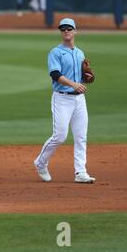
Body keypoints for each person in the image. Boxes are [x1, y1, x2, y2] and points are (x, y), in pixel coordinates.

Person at [34, 18, 96, 184]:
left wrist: (87, 77)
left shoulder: (80, 53)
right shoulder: (55, 52)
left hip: (79, 100)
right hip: (62, 98)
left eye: (69, 29)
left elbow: (83, 75)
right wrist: (75, 84)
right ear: (61, 32)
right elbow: (55, 74)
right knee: (60, 136)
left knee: (81, 136)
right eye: (63, 29)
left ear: (75, 31)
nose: (66, 31)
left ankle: (80, 172)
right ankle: (40, 162)